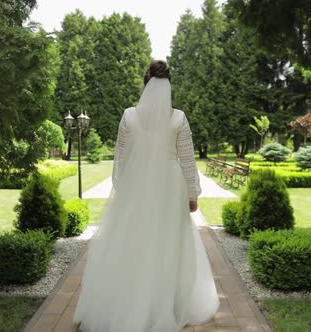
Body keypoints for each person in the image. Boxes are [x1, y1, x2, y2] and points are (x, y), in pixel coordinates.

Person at [73, 60, 219, 332]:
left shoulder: (128, 116)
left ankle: (131, 302)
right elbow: (187, 160)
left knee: (135, 243)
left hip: (136, 189)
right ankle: (168, 303)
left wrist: (124, 189)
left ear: (145, 84)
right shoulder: (179, 118)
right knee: (169, 243)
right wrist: (192, 194)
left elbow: (120, 159)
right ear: (169, 86)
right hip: (170, 189)